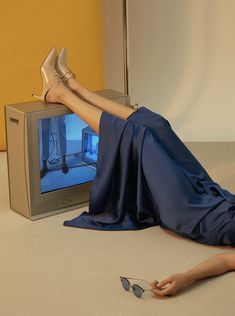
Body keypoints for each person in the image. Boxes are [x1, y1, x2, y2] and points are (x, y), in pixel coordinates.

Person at [33, 48, 235, 296]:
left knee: (140, 138)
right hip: (212, 193)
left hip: (190, 211)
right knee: (158, 125)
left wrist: (186, 277)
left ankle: (60, 93)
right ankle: (76, 87)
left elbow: (226, 261)